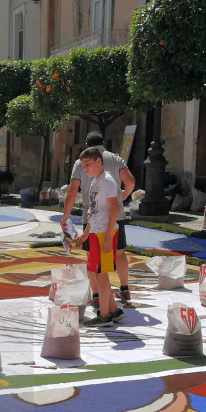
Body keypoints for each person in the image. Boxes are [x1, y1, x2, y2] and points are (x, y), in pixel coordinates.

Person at [60, 130, 136, 307]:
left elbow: (72, 191)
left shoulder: (82, 160)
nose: (87, 168)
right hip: (115, 215)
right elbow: (131, 182)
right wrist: (123, 196)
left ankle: (97, 295)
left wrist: (65, 216)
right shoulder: (115, 158)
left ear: (87, 146)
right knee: (119, 251)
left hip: (92, 215)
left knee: (93, 256)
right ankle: (124, 288)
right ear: (104, 143)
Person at [80, 147, 124, 326]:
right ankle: (114, 311)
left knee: (101, 274)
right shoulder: (95, 181)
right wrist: (85, 234)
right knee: (95, 272)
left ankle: (104, 316)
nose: (85, 169)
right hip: (95, 232)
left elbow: (115, 208)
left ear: (99, 161)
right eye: (83, 166)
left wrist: (107, 237)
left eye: (88, 164)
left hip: (104, 234)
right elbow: (94, 212)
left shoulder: (106, 181)